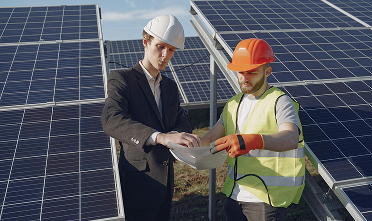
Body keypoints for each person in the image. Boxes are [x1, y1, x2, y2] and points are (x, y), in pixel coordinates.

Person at [101, 15, 200, 221]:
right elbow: (111, 119)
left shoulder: (170, 87)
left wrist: (176, 135)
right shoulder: (122, 79)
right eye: (160, 46)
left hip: (166, 187)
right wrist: (160, 137)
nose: (165, 55)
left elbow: (181, 121)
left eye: (171, 49)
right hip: (138, 186)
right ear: (146, 42)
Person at [201, 38, 305, 221]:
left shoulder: (279, 101)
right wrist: (183, 144)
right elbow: (209, 139)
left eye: (252, 72)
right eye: (241, 72)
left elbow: (291, 137)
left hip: (265, 200)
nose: (244, 77)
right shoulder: (232, 104)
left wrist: (255, 140)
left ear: (268, 71)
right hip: (234, 196)